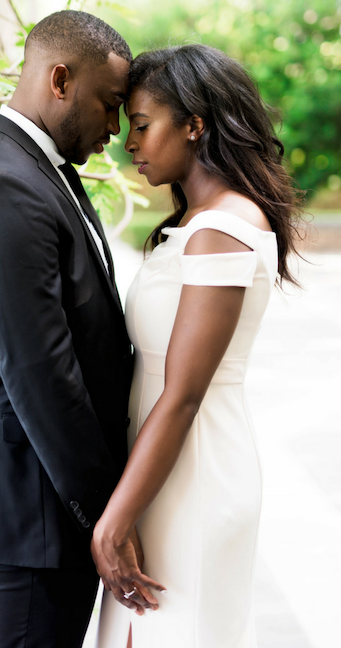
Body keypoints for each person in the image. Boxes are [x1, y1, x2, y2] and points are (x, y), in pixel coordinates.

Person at [92, 44, 302, 648]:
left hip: (195, 471)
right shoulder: (199, 222)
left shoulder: (224, 230)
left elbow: (183, 394)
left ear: (195, 124)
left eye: (140, 125)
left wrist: (114, 520)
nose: (128, 142)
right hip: (161, 468)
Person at [0, 11, 135, 648]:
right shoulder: (4, 184)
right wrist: (107, 514)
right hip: (33, 510)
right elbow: (40, 374)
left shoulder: (35, 169)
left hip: (45, 504)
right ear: (59, 80)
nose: (116, 126)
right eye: (109, 105)